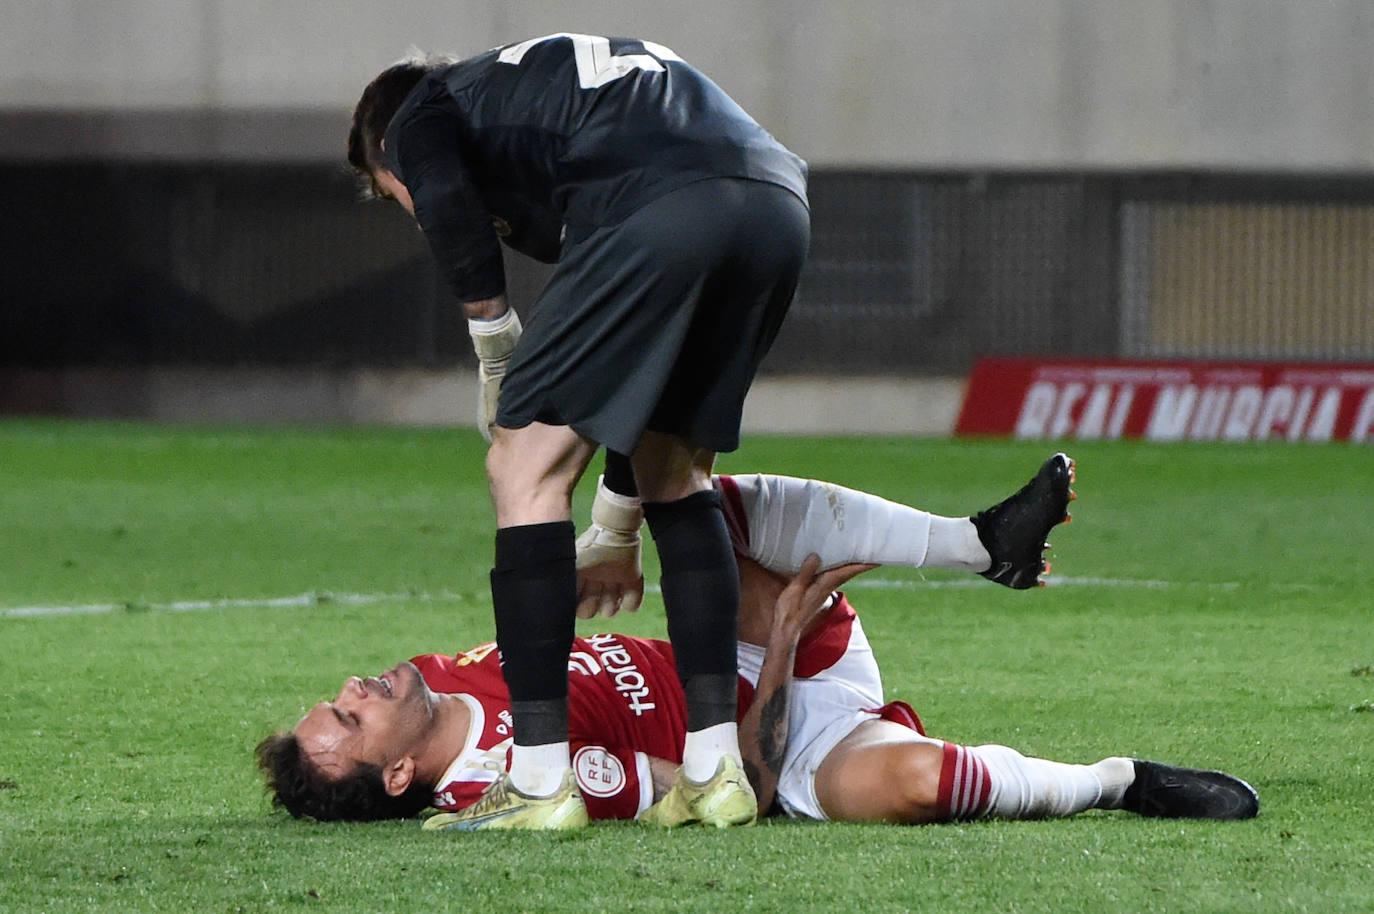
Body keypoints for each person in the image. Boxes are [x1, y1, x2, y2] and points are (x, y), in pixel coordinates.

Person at [346, 33, 812, 829]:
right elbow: (641, 381)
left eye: (396, 195)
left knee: (522, 470)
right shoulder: (551, 117)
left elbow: (450, 204)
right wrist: (615, 526)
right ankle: (714, 771)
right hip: (777, 202)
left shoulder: (417, 110)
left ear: (382, 158)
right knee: (675, 471)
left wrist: (495, 348)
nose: (412, 205)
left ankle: (535, 780)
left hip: (666, 201)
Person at [256, 458, 1260, 826]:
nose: (356, 683)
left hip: (738, 642)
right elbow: (744, 787)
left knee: (672, 490)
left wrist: (610, 548)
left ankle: (977, 545)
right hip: (782, 737)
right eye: (352, 714)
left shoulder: (437, 677)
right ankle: (1122, 780)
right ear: (395, 777)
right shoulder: (525, 781)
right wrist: (778, 649)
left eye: (341, 693)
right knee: (912, 786)